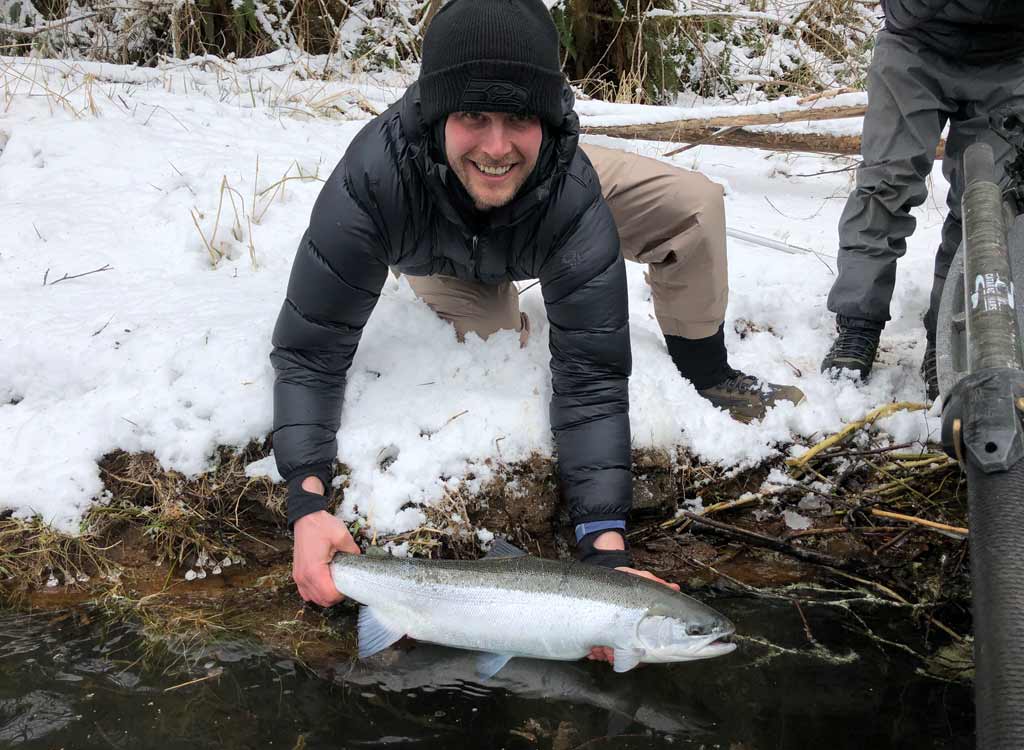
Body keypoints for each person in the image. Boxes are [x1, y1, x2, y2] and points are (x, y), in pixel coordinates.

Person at [269, 0, 803, 617]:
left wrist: (604, 547)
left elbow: (592, 376)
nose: (496, 144)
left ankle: (706, 370)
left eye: (520, 115)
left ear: (547, 119)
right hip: (441, 243)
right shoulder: (374, 181)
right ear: (437, 112)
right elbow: (311, 351)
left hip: (539, 201)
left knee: (694, 204)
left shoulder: (574, 196)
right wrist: (307, 503)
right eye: (473, 114)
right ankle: (485, 256)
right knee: (496, 335)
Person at [821, 0, 1024, 399]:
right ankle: (858, 323)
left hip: (1012, 55)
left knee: (988, 205)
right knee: (886, 184)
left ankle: (948, 334)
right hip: (916, 39)